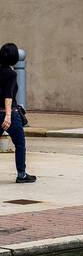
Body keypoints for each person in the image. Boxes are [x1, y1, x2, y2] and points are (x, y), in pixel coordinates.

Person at [0, 43, 35, 183]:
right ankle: (21, 174)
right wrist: (8, 116)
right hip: (10, 114)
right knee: (20, 144)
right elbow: (8, 96)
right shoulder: (11, 74)